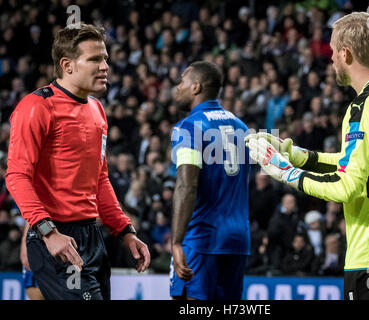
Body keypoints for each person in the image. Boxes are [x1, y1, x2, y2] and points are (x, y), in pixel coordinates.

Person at [247, 12, 369, 300]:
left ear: (346, 54)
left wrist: (285, 173)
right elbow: (362, 166)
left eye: (333, 51)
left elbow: (348, 186)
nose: (331, 58)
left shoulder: (365, 106)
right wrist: (298, 156)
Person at [5, 23, 150, 300]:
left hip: (92, 236)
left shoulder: (97, 109)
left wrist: (125, 230)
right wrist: (48, 233)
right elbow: (17, 175)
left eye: (105, 58)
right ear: (67, 65)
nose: (105, 66)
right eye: (95, 59)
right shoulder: (37, 107)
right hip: (56, 235)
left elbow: (100, 178)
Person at [169, 61, 250, 300]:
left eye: (182, 81)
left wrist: (176, 241)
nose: (177, 87)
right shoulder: (241, 126)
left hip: (202, 237)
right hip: (237, 238)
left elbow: (187, 185)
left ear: (196, 87)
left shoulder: (190, 126)